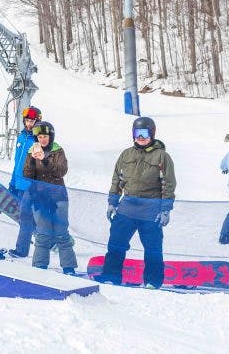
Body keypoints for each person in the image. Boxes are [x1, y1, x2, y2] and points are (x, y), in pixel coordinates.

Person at [96, 116, 176, 289]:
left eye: (144, 133)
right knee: (116, 243)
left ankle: (152, 282)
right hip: (127, 207)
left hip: (151, 209)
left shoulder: (162, 156)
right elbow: (117, 179)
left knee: (153, 248)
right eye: (137, 133)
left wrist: (165, 209)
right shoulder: (126, 154)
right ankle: (111, 276)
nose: (140, 137)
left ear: (152, 134)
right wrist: (113, 201)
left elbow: (169, 184)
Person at [23, 121, 78, 275]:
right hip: (39, 198)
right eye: (40, 137)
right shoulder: (31, 151)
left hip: (58, 197)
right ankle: (40, 267)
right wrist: (34, 160)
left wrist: (45, 160)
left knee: (61, 233)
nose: (43, 140)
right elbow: (26, 174)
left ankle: (69, 267)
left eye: (45, 136)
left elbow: (61, 171)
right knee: (42, 234)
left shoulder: (57, 151)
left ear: (51, 136)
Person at [7, 105, 41, 258]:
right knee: (28, 218)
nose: (29, 124)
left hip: (31, 185)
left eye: (31, 121)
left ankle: (21, 250)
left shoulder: (39, 139)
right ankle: (47, 238)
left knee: (25, 217)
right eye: (27, 120)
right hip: (20, 185)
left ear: (37, 121)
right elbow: (17, 163)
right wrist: (12, 183)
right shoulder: (21, 137)